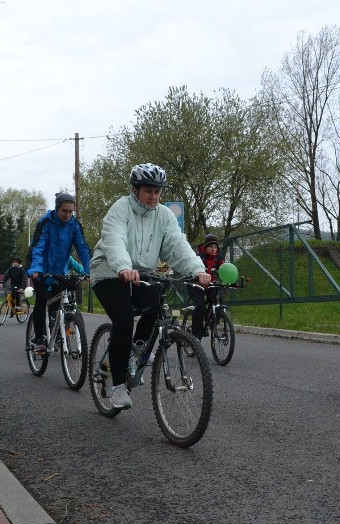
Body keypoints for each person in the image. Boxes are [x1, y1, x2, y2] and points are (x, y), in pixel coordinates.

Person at [89, 163, 209, 410]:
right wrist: (123, 266)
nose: (153, 196)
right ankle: (118, 386)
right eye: (148, 191)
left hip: (142, 272)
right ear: (136, 190)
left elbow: (177, 245)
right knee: (123, 320)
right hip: (109, 271)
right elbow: (114, 239)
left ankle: (137, 350)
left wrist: (197, 270)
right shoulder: (120, 209)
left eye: (157, 192)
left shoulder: (164, 215)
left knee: (156, 306)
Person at [26, 192, 91, 356]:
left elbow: (82, 248)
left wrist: (90, 271)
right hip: (40, 268)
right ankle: (39, 340)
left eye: (71, 211)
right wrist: (36, 268)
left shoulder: (74, 224)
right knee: (42, 300)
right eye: (64, 211)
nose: (68, 215)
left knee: (56, 305)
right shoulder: (46, 222)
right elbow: (38, 247)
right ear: (57, 209)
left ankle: (57, 329)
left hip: (59, 270)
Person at [188, 233, 225, 340]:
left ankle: (211, 319)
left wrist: (230, 280)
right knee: (200, 306)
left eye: (215, 247)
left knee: (218, 298)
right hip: (195, 284)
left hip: (210, 283)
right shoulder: (199, 257)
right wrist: (198, 279)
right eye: (211, 247)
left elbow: (223, 269)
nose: (214, 249)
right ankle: (195, 336)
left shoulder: (219, 257)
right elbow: (192, 270)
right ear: (205, 247)